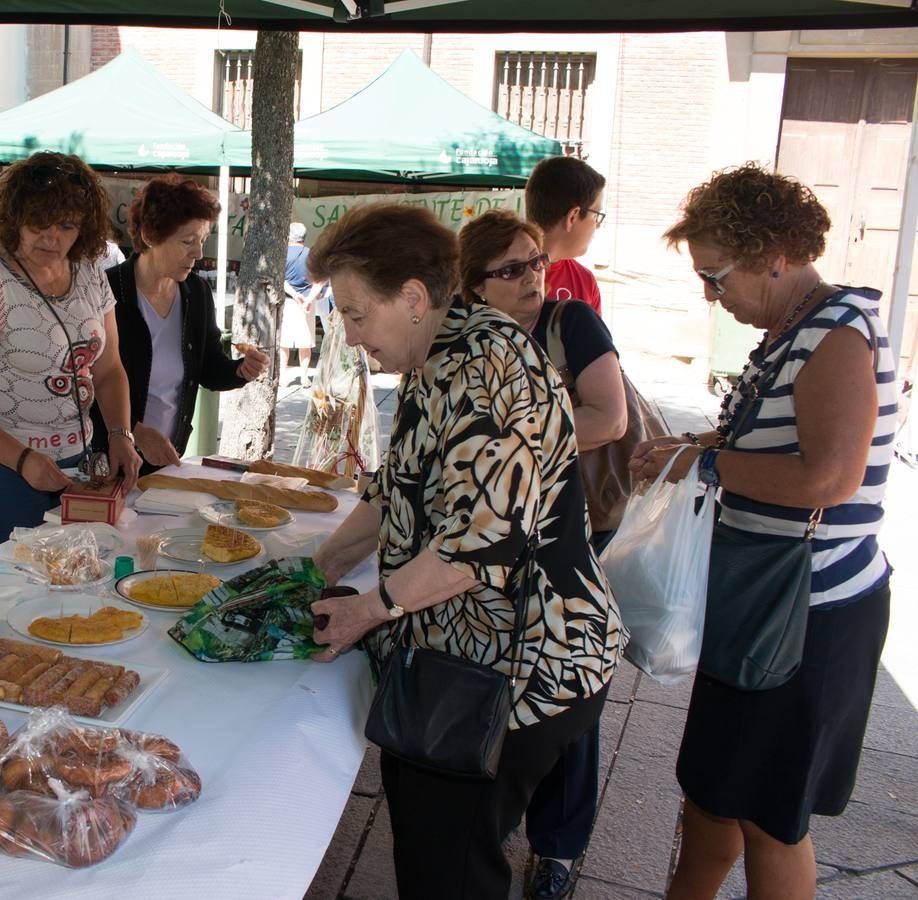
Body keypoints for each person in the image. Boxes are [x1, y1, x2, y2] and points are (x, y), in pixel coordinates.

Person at [308, 204, 625, 900]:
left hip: (517, 672)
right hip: (471, 661)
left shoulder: (485, 371)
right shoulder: (439, 353)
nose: (351, 334)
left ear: (414, 298)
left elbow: (471, 550)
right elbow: (396, 490)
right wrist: (318, 568)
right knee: (434, 849)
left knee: (449, 870)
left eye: (357, 314)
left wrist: (367, 610)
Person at [631, 163, 896, 900]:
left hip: (806, 618)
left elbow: (826, 480)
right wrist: (704, 445)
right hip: (763, 603)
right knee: (714, 798)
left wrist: (704, 462)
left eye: (716, 276)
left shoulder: (836, 333)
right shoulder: (794, 329)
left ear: (770, 257)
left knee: (771, 823)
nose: (710, 295)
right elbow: (776, 440)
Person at [0, 152, 140, 551]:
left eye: (66, 225)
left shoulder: (90, 271)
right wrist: (22, 459)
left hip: (75, 463)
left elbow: (109, 368)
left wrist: (120, 434)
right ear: (14, 218)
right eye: (39, 222)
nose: (52, 237)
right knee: (16, 591)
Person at [514, 160, 625, 897]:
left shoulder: (570, 306)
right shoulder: (466, 330)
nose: (527, 280)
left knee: (567, 678)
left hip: (565, 529)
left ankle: (555, 847)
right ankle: (497, 813)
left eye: (530, 267)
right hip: (493, 538)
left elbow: (610, 415)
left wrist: (515, 447)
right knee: (503, 676)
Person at [91, 175, 267, 473]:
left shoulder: (195, 293)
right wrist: (133, 431)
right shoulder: (107, 291)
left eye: (201, 241)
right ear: (149, 235)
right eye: (187, 241)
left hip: (168, 460)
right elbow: (87, 387)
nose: (198, 253)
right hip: (107, 459)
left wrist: (239, 370)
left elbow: (208, 368)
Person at [526, 155, 607, 317]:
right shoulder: (503, 275)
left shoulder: (585, 280)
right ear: (573, 217)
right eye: (596, 215)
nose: (597, 225)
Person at [281, 222, 320, 385]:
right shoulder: (312, 255)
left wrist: (295, 295)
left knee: (284, 342)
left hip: (289, 301)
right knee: (306, 341)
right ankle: (304, 377)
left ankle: (283, 376)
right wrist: (309, 299)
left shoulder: (283, 254)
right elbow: (320, 280)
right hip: (308, 303)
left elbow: (280, 280)